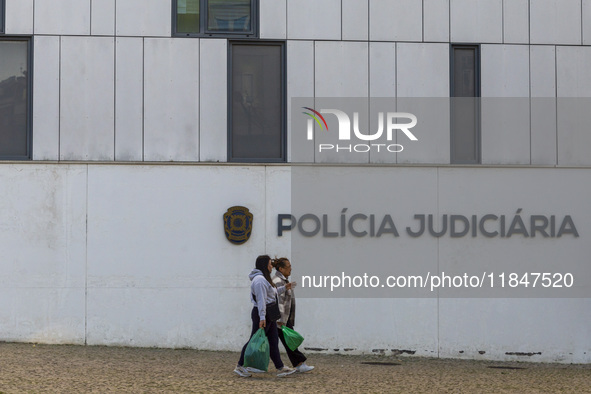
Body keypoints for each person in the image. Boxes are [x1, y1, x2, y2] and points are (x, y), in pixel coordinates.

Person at [234, 255, 297, 378]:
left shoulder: (264, 279)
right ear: (264, 265)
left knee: (273, 340)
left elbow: (272, 294)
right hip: (263, 314)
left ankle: (280, 367)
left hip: (269, 314)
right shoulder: (259, 280)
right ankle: (240, 366)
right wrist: (262, 318)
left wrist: (284, 288)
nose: (271, 267)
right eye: (269, 264)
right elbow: (261, 300)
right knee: (253, 340)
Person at [272, 257, 314, 373]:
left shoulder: (283, 280)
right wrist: (280, 319)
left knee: (286, 341)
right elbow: (279, 302)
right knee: (289, 341)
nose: (291, 269)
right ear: (281, 268)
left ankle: (296, 364)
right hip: (281, 319)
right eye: (288, 267)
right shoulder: (278, 281)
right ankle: (299, 363)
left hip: (284, 318)